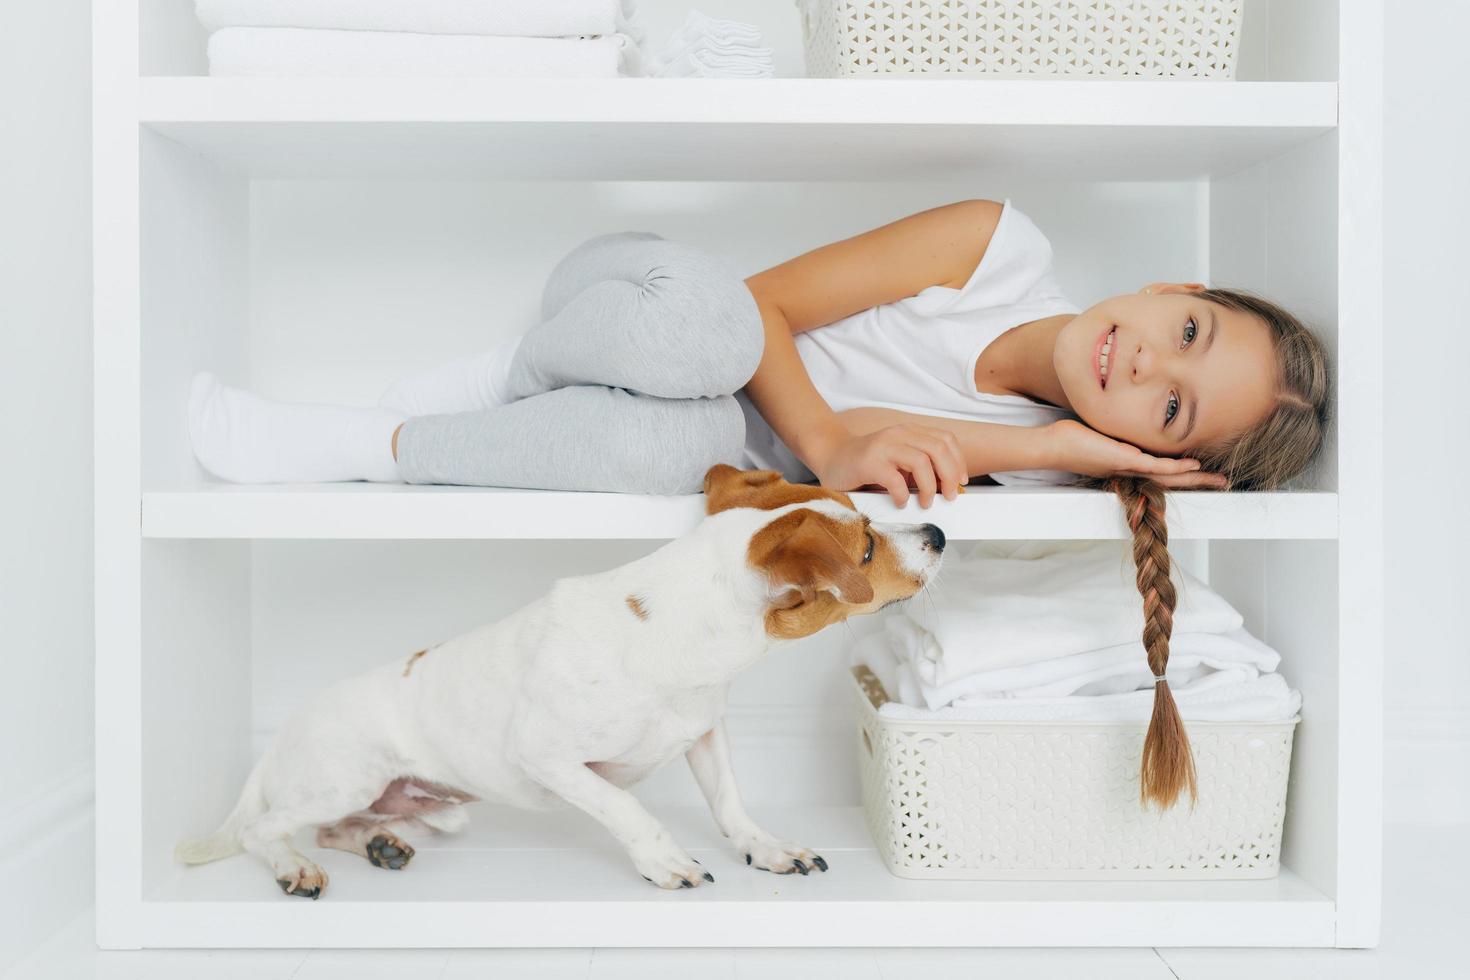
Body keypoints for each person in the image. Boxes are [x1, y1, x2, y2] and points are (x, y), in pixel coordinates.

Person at [188, 198, 1329, 507]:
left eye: (1171, 411)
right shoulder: (994, 248)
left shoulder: (1036, 455)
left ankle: (377, 444)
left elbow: (838, 451)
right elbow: (762, 305)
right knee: (710, 335)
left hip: (645, 420)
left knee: (686, 452)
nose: (1146, 367)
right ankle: (508, 376)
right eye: (1187, 333)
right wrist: (827, 437)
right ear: (1175, 286)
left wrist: (1070, 452)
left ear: (1149, 450)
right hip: (634, 303)